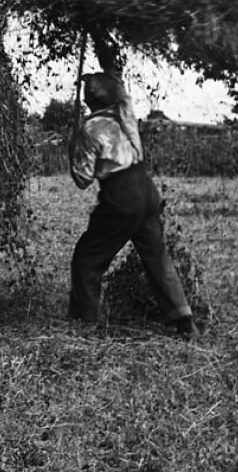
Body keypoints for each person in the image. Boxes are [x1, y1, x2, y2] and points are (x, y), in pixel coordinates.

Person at [68, 70, 198, 339]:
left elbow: (83, 179)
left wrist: (73, 149)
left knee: (87, 257)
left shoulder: (90, 129)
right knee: (157, 257)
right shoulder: (125, 115)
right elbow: (119, 86)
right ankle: (184, 320)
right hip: (147, 192)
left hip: (120, 197)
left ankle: (85, 321)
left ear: (89, 99)